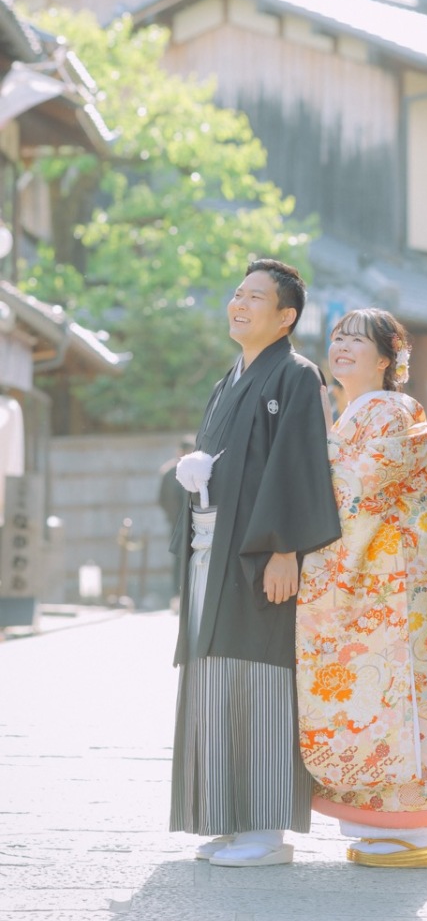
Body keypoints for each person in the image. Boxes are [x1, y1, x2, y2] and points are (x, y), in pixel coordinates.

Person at [169, 258, 341, 868]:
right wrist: (190, 475)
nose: (238, 304)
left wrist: (286, 548)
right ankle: (230, 817)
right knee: (216, 674)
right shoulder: (229, 380)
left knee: (262, 676)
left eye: (254, 297)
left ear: (286, 316)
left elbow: (299, 464)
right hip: (213, 552)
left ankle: (267, 830)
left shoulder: (295, 376)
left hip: (260, 554)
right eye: (236, 294)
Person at [296, 308, 427, 869]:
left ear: (387, 359)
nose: (341, 347)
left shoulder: (387, 411)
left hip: (388, 586)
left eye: (357, 340)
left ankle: (407, 829)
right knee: (374, 698)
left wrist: (307, 449)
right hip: (375, 583)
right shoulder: (354, 414)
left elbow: (360, 485)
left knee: (396, 699)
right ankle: (384, 828)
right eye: (337, 338)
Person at [157, 434, 195, 597]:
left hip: (194, 523)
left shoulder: (198, 469)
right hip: (177, 523)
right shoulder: (170, 472)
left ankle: (189, 593)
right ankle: (177, 594)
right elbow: (164, 500)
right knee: (179, 559)